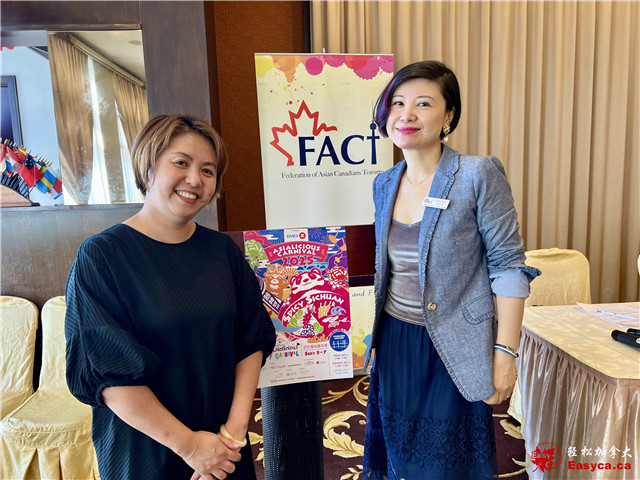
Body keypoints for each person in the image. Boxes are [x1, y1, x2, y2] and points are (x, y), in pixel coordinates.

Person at [65, 114, 276, 480]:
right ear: (148, 167)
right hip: (145, 449)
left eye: (208, 170)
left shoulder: (222, 251)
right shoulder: (102, 256)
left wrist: (232, 434)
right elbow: (108, 374)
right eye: (181, 162)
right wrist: (190, 447)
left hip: (222, 447)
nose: (195, 179)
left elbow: (251, 340)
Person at [362, 61, 541, 479]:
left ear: (448, 116)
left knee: (448, 464)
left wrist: (505, 353)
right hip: (396, 340)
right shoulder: (384, 183)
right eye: (397, 103)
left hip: (453, 344)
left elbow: (509, 267)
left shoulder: (477, 175)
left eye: (423, 104)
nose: (406, 114)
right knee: (400, 452)